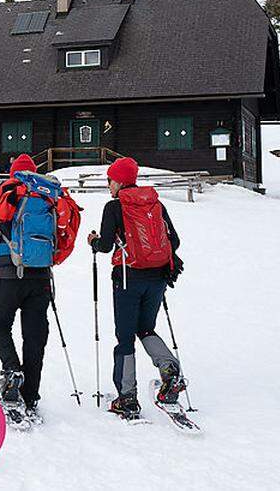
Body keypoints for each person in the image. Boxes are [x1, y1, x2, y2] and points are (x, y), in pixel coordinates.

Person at [0, 154, 73, 424]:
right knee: (35, 337)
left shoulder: (5, 192)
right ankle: (30, 395)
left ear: (13, 173)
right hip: (39, 278)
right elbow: (63, 237)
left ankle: (12, 370)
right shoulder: (49, 197)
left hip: (5, 276)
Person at [86, 157, 186, 419]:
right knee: (146, 328)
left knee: (125, 336)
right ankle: (170, 372)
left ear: (118, 181)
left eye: (110, 180)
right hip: (158, 278)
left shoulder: (114, 207)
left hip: (128, 278)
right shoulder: (156, 204)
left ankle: (127, 398)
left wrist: (94, 242)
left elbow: (106, 245)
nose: (109, 186)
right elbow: (173, 240)